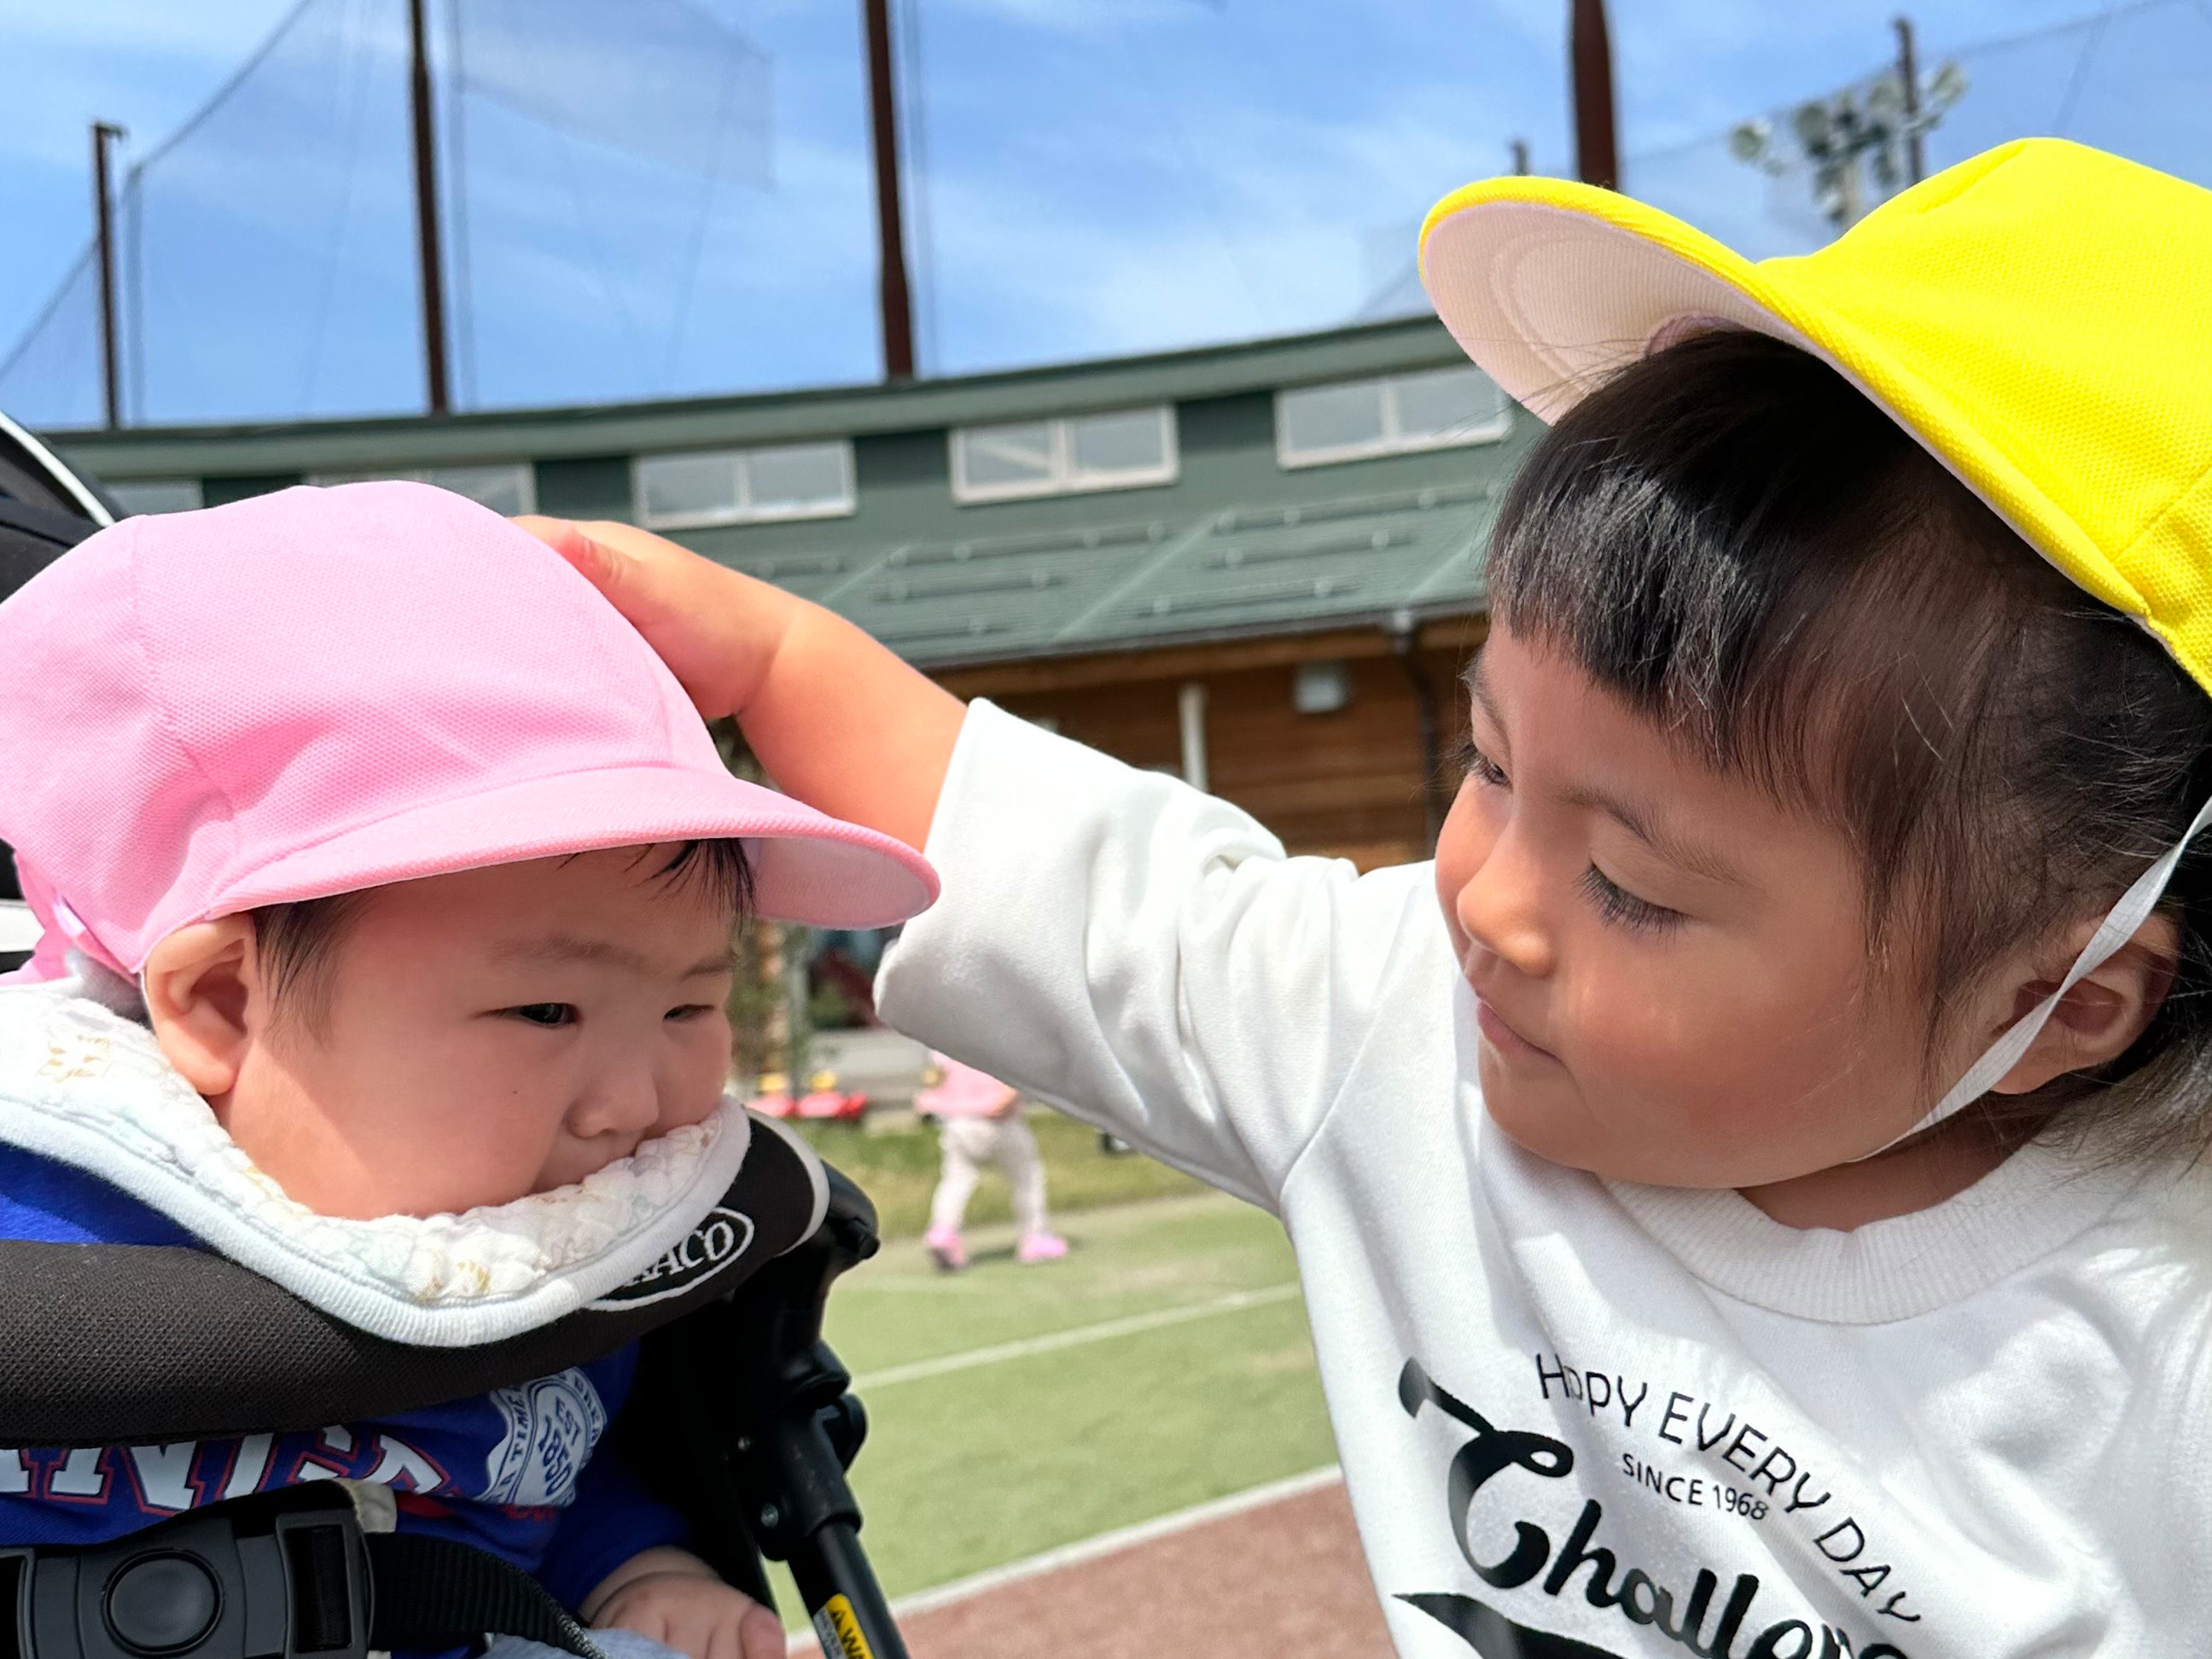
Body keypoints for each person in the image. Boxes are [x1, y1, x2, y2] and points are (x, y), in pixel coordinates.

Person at [521, 140, 2212, 1656]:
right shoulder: (1407, 1027)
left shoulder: (2163, 1339)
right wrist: (760, 653)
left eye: (1629, 885)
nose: (1487, 901)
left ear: (2056, 1005)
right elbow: (1082, 878)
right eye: (1485, 765)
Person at [0, 483, 937, 1659]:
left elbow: (553, 1454)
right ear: (225, 1005)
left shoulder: (582, 1244)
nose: (634, 1105)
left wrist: (640, 1564)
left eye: (691, 1003)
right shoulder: (40, 1186)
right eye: (548, 1009)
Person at [913, 1051, 1067, 1269]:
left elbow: (935, 1079)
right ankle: (1036, 1236)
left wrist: (932, 1103)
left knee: (956, 1180)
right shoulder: (998, 1033)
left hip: (958, 1122)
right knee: (1027, 1178)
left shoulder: (943, 1038)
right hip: (999, 1119)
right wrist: (1009, 1097)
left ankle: (943, 1231)